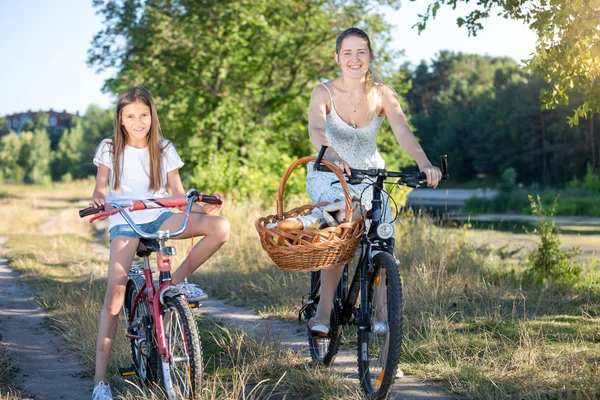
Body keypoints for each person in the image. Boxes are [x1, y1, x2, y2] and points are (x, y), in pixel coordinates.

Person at [89, 86, 230, 400]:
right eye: (131, 116)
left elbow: (178, 198)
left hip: (159, 215)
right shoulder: (110, 148)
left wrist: (199, 208)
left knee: (221, 227)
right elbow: (101, 188)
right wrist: (100, 200)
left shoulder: (164, 148)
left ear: (152, 115)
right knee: (114, 296)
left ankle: (171, 291)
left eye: (144, 114)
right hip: (125, 219)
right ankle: (100, 382)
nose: (138, 121)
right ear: (121, 119)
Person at [305, 27, 442, 335]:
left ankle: (383, 323)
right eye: (348, 53)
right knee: (340, 231)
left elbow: (403, 132)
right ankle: (324, 314)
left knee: (383, 237)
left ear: (370, 56)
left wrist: (424, 163)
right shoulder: (323, 92)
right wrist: (331, 155)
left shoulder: (382, 93)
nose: (355, 59)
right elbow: (316, 130)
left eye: (361, 52)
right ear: (337, 57)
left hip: (371, 175)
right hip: (330, 173)